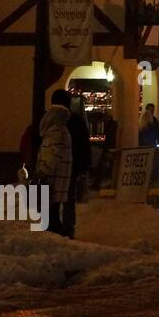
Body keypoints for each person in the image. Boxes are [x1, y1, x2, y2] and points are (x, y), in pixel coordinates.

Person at [53, 90, 91, 239]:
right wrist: (84, 165)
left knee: (54, 196)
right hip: (72, 165)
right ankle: (68, 228)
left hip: (55, 164)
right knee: (68, 197)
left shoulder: (51, 120)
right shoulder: (76, 120)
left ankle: (54, 225)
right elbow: (84, 144)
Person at [36, 95, 73, 237]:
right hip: (57, 180)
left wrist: (42, 171)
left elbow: (53, 156)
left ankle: (54, 238)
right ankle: (55, 237)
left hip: (52, 180)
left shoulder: (56, 132)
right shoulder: (60, 131)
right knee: (52, 212)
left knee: (50, 213)